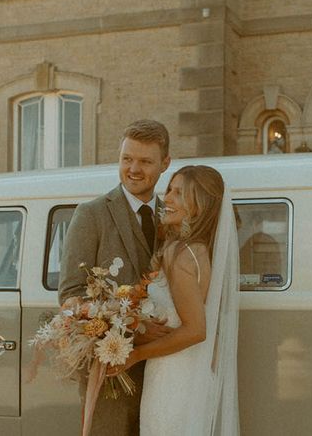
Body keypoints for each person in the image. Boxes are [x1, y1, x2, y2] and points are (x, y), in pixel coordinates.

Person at [58, 119, 172, 436]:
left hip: (168, 370)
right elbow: (70, 296)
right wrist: (136, 327)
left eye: (145, 161)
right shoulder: (91, 214)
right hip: (111, 372)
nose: (133, 169)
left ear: (165, 163)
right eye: (126, 159)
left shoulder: (173, 217)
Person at [114, 165, 240, 436]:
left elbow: (195, 329)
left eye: (179, 193)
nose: (167, 198)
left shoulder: (180, 254)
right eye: (169, 189)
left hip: (174, 375)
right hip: (194, 371)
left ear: (200, 206)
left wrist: (135, 355)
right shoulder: (200, 250)